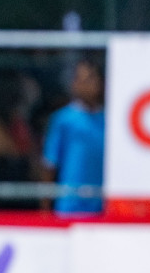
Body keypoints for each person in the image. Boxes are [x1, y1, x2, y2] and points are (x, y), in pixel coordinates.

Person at [41, 59, 106, 216]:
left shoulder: (109, 120)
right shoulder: (63, 119)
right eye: (79, 79)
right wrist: (45, 210)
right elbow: (50, 165)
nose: (83, 85)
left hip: (101, 209)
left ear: (100, 83)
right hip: (69, 208)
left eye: (89, 79)